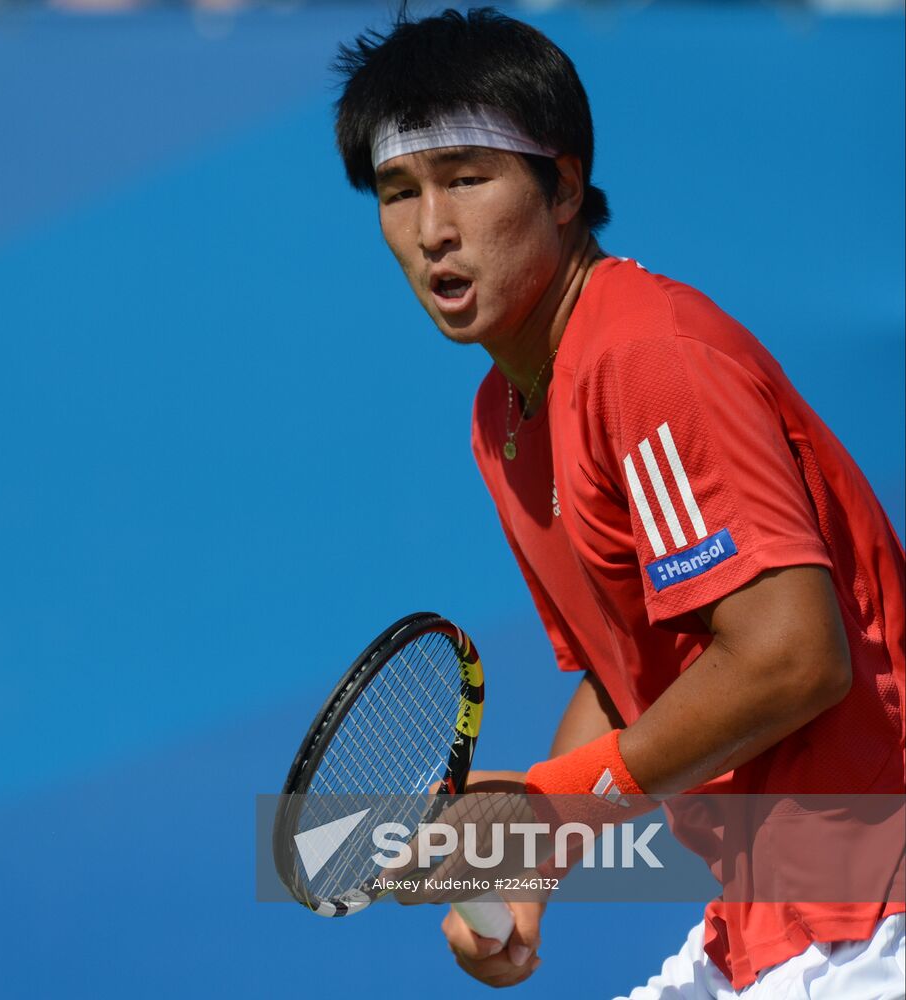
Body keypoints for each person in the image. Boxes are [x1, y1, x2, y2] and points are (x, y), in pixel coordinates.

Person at [331, 8, 904, 997]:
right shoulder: (503, 414)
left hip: (871, 912)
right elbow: (628, 673)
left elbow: (790, 656)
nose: (431, 230)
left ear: (561, 188)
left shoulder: (643, 356)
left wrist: (549, 805)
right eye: (398, 192)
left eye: (466, 179)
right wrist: (529, 863)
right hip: (771, 918)